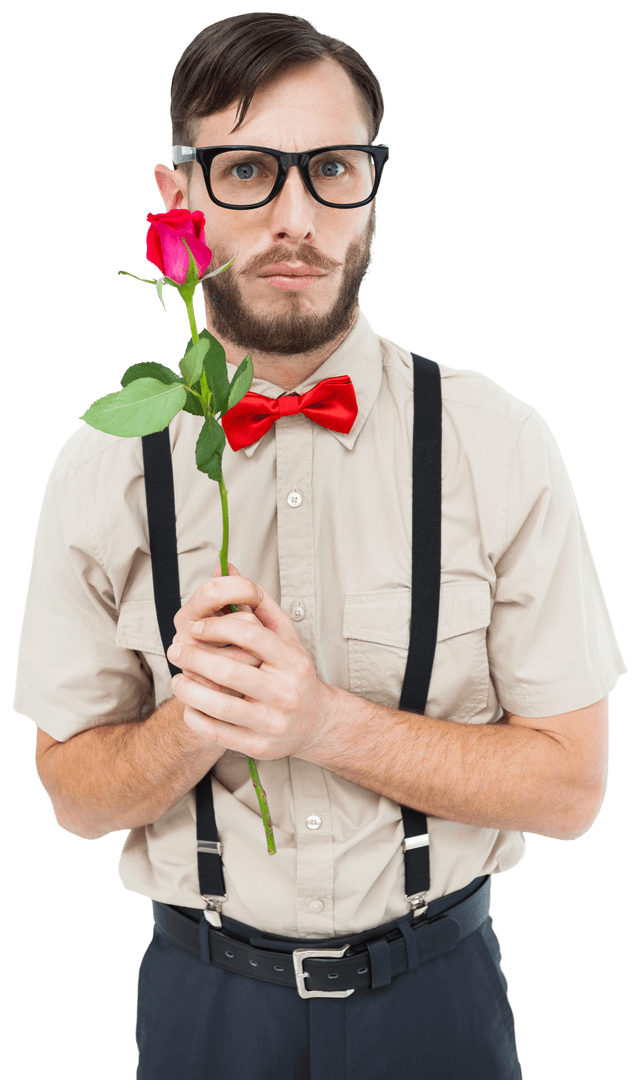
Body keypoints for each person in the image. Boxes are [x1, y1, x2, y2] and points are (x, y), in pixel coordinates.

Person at [13, 12, 626, 1080]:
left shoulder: (500, 440)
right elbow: (72, 797)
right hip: (205, 1003)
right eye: (247, 169)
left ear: (371, 189)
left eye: (331, 168)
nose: (295, 217)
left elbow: (571, 791)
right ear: (180, 200)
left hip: (440, 997)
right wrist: (187, 729)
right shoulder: (103, 464)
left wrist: (320, 722)